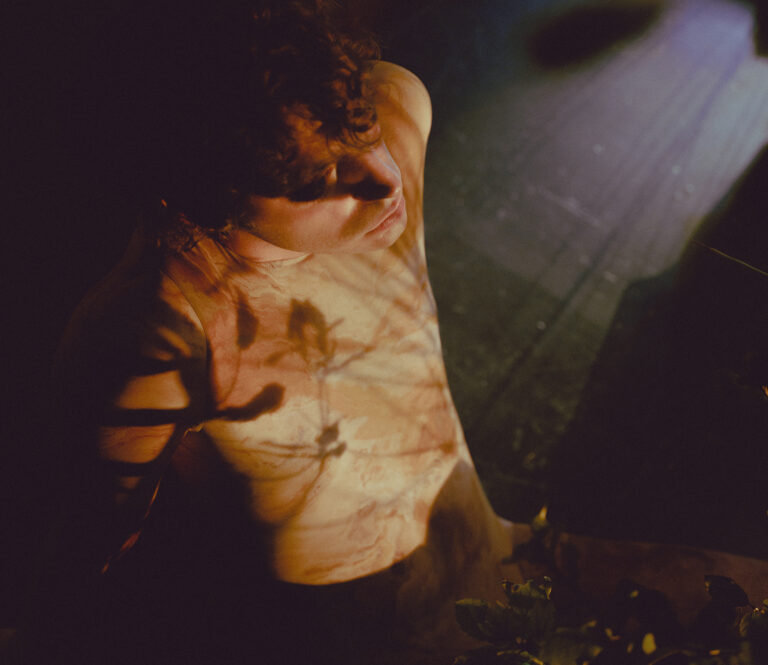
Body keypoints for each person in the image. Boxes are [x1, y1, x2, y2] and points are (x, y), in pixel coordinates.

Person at [23, 2, 517, 663]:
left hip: (491, 558)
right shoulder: (159, 336)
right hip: (355, 639)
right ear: (199, 192)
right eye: (315, 178)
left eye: (359, 126)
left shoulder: (397, 107)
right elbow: (90, 549)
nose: (383, 179)